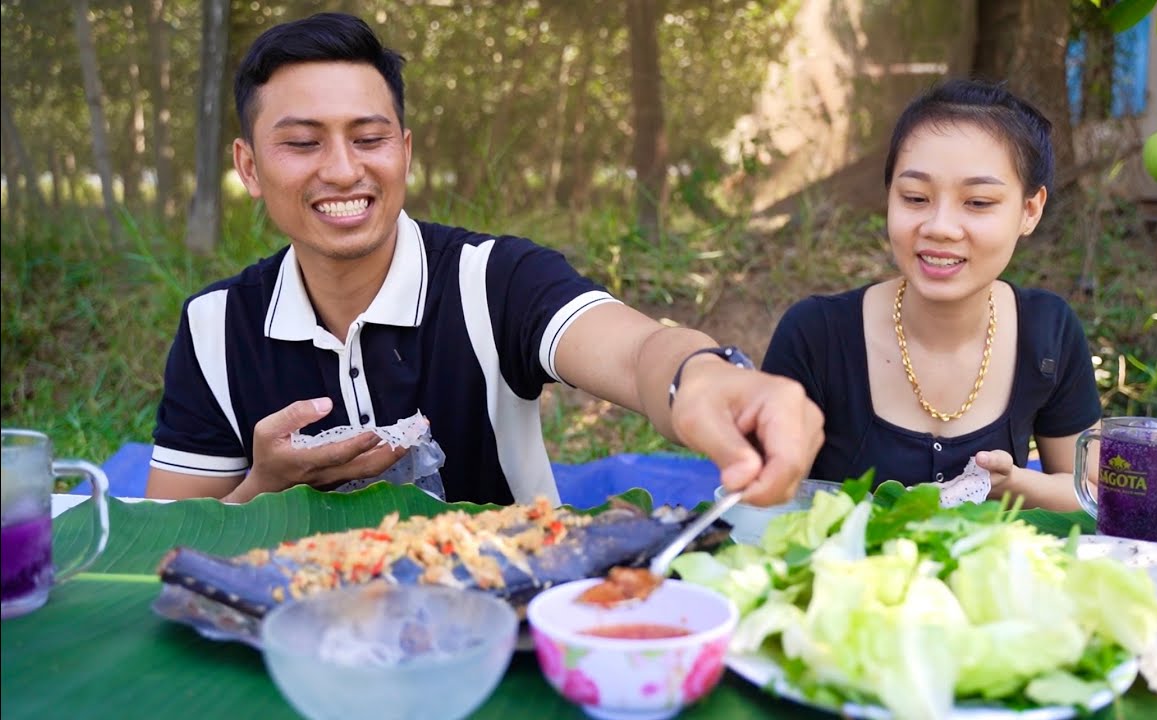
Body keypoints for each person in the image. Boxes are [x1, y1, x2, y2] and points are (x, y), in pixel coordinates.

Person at [145, 13, 823, 507]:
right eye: (302, 143)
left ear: (404, 152)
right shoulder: (217, 325)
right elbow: (166, 546)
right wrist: (265, 484)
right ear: (250, 166)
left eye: (369, 137)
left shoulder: (494, 281)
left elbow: (636, 349)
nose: (344, 169)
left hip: (499, 637)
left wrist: (699, 377)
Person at [762, 78, 1099, 511]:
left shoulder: (1048, 332)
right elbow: (761, 500)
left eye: (977, 202)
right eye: (916, 197)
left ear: (1029, 210)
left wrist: (1018, 485)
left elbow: (1096, 496)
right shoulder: (814, 335)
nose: (940, 226)